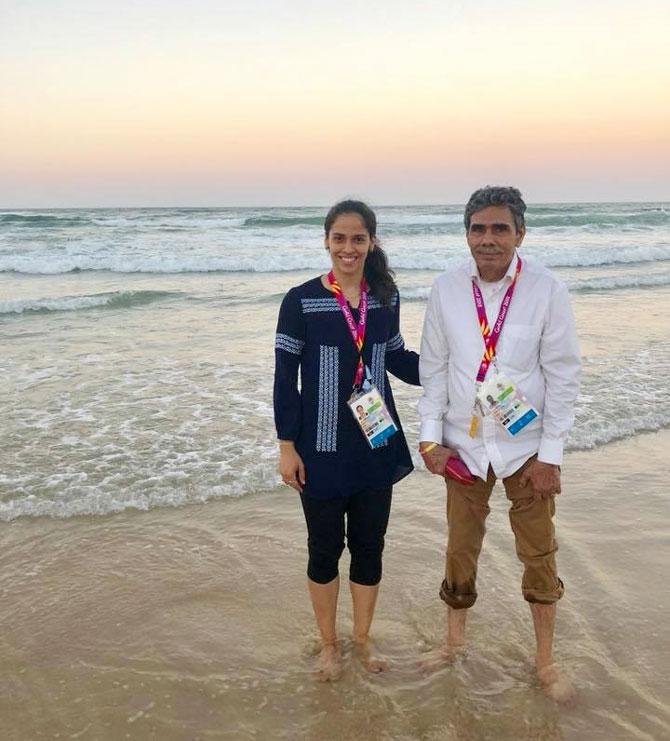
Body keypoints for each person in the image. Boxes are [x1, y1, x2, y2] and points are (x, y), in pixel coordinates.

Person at [417, 186, 580, 702]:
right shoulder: (445, 289)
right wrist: (429, 442)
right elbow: (434, 371)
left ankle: (546, 662)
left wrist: (551, 455)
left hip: (525, 445)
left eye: (499, 228)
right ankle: (453, 646)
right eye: (478, 228)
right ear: (466, 233)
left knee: (538, 552)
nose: (487, 239)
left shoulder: (546, 289)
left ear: (520, 234)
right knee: (460, 550)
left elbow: (562, 375)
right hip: (463, 446)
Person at [274, 199, 420, 681]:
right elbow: (284, 378)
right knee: (322, 549)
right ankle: (328, 643)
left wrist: (452, 371)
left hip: (376, 446)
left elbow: (396, 356)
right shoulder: (300, 300)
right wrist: (286, 446)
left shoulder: (385, 297)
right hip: (319, 449)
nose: (349, 247)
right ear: (326, 241)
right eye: (340, 238)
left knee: (370, 546)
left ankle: (361, 638)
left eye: (358, 238)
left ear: (371, 242)